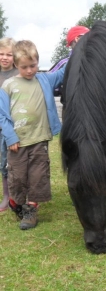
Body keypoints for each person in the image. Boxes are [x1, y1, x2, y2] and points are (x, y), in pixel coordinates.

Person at [0, 40, 65, 229]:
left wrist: (82, 46)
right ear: (16, 65)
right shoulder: (8, 86)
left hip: (39, 139)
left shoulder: (45, 80)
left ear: (38, 62)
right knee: (18, 176)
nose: (29, 70)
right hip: (17, 142)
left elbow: (63, 71)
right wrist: (10, 137)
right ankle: (16, 201)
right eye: (24, 67)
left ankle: (31, 210)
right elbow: (2, 115)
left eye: (33, 65)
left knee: (38, 175)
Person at [0, 37, 19, 212]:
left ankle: (18, 195)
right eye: (1, 54)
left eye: (9, 54)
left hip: (16, 127)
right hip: (0, 127)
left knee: (17, 162)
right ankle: (6, 195)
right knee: (3, 162)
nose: (4, 57)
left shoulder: (18, 74)